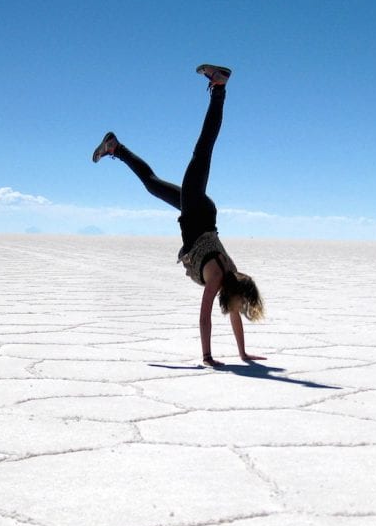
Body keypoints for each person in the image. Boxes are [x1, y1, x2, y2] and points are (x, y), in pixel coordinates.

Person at [91, 64, 265, 367]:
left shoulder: (231, 277)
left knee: (152, 184)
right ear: (235, 289)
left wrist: (242, 353)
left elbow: (233, 316)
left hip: (200, 213)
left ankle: (114, 147)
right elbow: (204, 318)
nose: (238, 309)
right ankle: (220, 89)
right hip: (197, 211)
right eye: (240, 302)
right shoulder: (217, 279)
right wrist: (208, 357)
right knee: (203, 152)